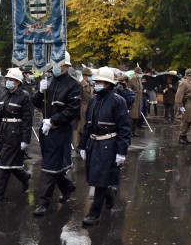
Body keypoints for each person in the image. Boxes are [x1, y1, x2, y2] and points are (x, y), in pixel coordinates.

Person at [78, 67, 131, 225]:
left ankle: (94, 213)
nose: (96, 84)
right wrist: (83, 145)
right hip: (93, 143)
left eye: (99, 82)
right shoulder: (94, 100)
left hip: (109, 144)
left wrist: (121, 151)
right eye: (96, 81)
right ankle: (109, 195)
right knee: (95, 177)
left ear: (108, 84)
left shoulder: (118, 101)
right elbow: (88, 125)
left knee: (100, 179)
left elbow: (124, 128)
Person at [32, 54, 81, 216]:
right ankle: (67, 187)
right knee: (52, 163)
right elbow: (36, 103)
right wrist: (39, 92)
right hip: (46, 131)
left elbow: (72, 110)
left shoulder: (73, 85)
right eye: (53, 64)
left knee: (50, 167)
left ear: (66, 66)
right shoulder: (49, 81)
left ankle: (43, 202)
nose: (55, 67)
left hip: (60, 131)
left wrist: (53, 121)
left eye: (58, 65)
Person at [0, 68, 33, 201]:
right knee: (10, 163)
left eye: (12, 80)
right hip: (4, 131)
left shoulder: (24, 96)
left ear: (18, 82)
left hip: (16, 133)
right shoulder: (3, 94)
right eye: (8, 79)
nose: (9, 82)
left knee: (5, 163)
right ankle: (24, 177)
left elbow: (27, 119)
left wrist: (25, 139)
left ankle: (0, 193)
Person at [175, 69, 191, 144]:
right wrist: (180, 106)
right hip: (186, 104)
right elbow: (179, 96)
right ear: (188, 76)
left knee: (189, 121)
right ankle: (181, 136)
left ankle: (185, 136)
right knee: (185, 121)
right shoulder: (183, 83)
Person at [73, 67, 94, 150]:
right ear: (84, 76)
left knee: (87, 126)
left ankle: (84, 143)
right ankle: (78, 145)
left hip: (89, 106)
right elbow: (78, 98)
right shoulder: (80, 85)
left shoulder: (90, 84)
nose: (90, 77)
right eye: (89, 75)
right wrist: (77, 110)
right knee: (80, 127)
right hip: (82, 107)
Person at [128, 67, 143, 136]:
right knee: (132, 117)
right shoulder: (131, 81)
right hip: (134, 101)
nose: (139, 75)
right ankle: (130, 132)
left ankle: (134, 131)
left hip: (139, 101)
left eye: (140, 73)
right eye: (139, 73)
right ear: (135, 73)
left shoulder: (139, 81)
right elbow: (128, 90)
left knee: (137, 117)